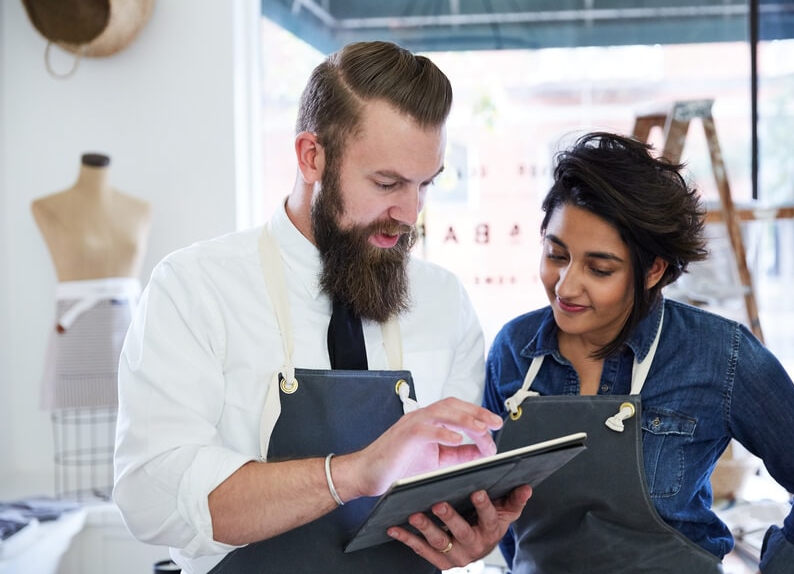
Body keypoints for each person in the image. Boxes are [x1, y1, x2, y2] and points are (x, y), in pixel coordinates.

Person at [113, 41, 531, 574]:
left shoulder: (444, 302)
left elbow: (452, 492)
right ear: (312, 156)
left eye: (426, 185)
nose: (409, 213)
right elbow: (151, 499)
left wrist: (467, 539)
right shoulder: (196, 288)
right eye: (386, 183)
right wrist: (354, 473)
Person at [483, 131, 794, 574]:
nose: (566, 286)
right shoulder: (514, 350)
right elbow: (499, 514)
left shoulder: (720, 354)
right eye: (556, 254)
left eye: (599, 268)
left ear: (653, 270)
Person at [32, 152, 151, 410]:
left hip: (128, 335)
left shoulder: (140, 209)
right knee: (75, 446)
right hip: (76, 336)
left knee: (137, 427)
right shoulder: (47, 207)